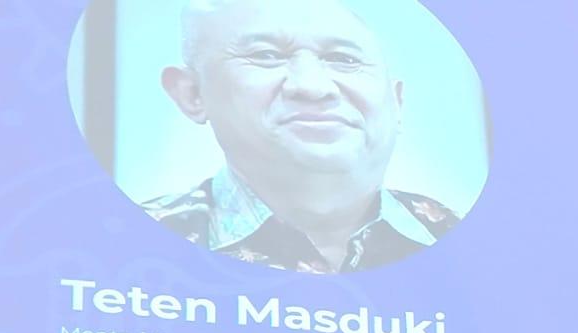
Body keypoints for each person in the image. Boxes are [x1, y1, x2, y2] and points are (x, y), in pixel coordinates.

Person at [147, 0, 459, 272]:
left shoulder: (471, 245)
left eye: (345, 59)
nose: (313, 87)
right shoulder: (134, 241)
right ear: (193, 94)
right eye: (266, 55)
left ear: (397, 103)